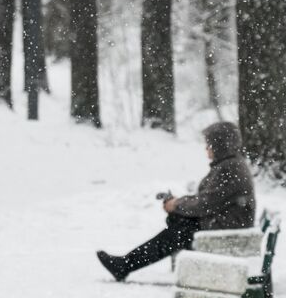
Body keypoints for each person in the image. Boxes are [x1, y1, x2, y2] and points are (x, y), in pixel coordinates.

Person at [96, 121, 256, 282]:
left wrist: (177, 205)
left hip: (227, 230)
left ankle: (125, 265)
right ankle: (125, 264)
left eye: (209, 144)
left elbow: (205, 204)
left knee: (179, 231)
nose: (206, 148)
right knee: (179, 225)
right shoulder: (229, 165)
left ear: (220, 146)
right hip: (224, 224)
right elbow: (207, 200)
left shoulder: (230, 168)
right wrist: (177, 203)